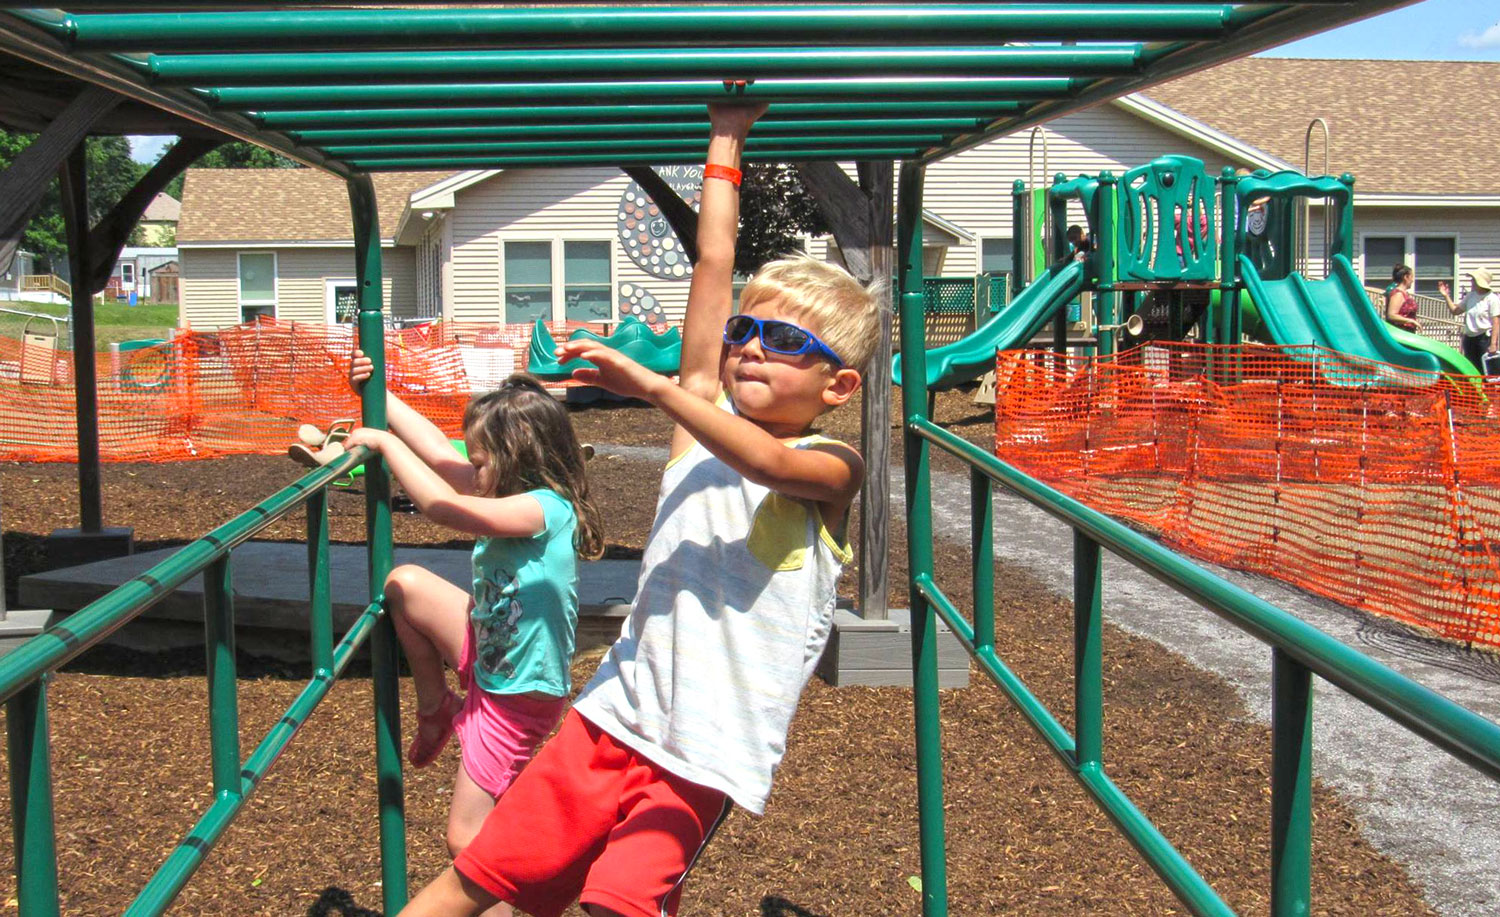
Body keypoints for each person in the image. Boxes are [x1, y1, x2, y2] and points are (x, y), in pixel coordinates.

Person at [397, 102, 882, 917]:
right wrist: (725, 141)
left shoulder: (830, 465)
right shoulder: (702, 417)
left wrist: (653, 386)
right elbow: (714, 260)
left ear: (838, 387)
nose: (755, 346)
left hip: (704, 753)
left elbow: (762, 458)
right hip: (613, 714)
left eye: (789, 342)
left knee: (616, 904)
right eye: (746, 332)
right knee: (479, 877)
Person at [342, 361, 603, 917]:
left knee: (469, 841)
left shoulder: (543, 509)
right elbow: (436, 450)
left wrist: (385, 447)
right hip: (487, 652)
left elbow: (443, 507)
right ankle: (436, 706)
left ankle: (526, 900)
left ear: (514, 458)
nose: (470, 468)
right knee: (404, 586)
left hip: (517, 695)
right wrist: (377, 394)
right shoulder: (501, 485)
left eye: (479, 460)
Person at [1438, 267, 1500, 371]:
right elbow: (1455, 310)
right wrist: (1446, 296)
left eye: (1473, 280)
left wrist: (1493, 344)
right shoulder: (1470, 296)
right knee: (1470, 368)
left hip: (1484, 339)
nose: (1471, 282)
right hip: (1469, 338)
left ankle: (1485, 387)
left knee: (1485, 369)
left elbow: (1496, 322)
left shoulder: (1492, 298)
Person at [1384, 264, 1421, 333]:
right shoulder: (1398, 294)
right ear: (1406, 277)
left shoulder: (1405, 293)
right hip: (1400, 333)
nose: (1412, 280)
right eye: (1411, 277)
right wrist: (1410, 321)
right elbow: (1391, 315)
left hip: (1408, 332)